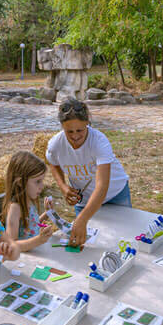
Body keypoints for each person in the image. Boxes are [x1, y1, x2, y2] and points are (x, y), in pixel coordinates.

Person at [46, 99, 132, 248]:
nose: (75, 136)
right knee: (88, 245)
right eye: (69, 131)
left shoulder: (99, 142)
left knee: (123, 239)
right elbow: (53, 163)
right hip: (85, 200)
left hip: (116, 194)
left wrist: (82, 219)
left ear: (87, 123)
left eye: (80, 130)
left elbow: (102, 186)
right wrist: (63, 187)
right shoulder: (55, 144)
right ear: (62, 127)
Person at [2, 151, 57, 252]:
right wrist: (39, 240)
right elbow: (11, 244)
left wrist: (47, 213)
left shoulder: (29, 201)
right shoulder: (15, 208)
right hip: (23, 258)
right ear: (20, 182)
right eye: (37, 181)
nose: (42, 186)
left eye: (42, 181)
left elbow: (31, 226)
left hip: (35, 253)